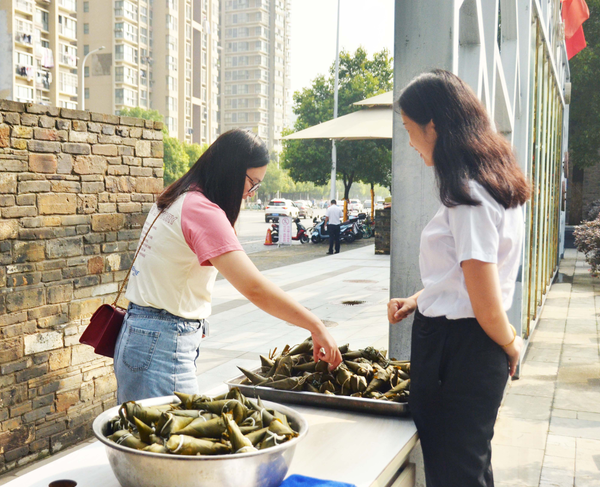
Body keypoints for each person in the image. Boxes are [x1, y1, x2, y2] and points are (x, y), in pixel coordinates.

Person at [114, 129, 343, 403]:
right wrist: (316, 326)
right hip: (161, 342)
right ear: (231, 171)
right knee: (169, 429)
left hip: (141, 332)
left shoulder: (178, 194)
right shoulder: (202, 210)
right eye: (252, 183)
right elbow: (254, 287)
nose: (250, 194)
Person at [387, 70, 530, 487]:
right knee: (469, 467)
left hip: (458, 349)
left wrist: (511, 343)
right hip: (465, 345)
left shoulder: (467, 195)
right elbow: (468, 275)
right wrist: (421, 297)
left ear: (432, 126)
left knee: (454, 473)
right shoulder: (492, 182)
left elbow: (484, 300)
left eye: (409, 128)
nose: (409, 141)